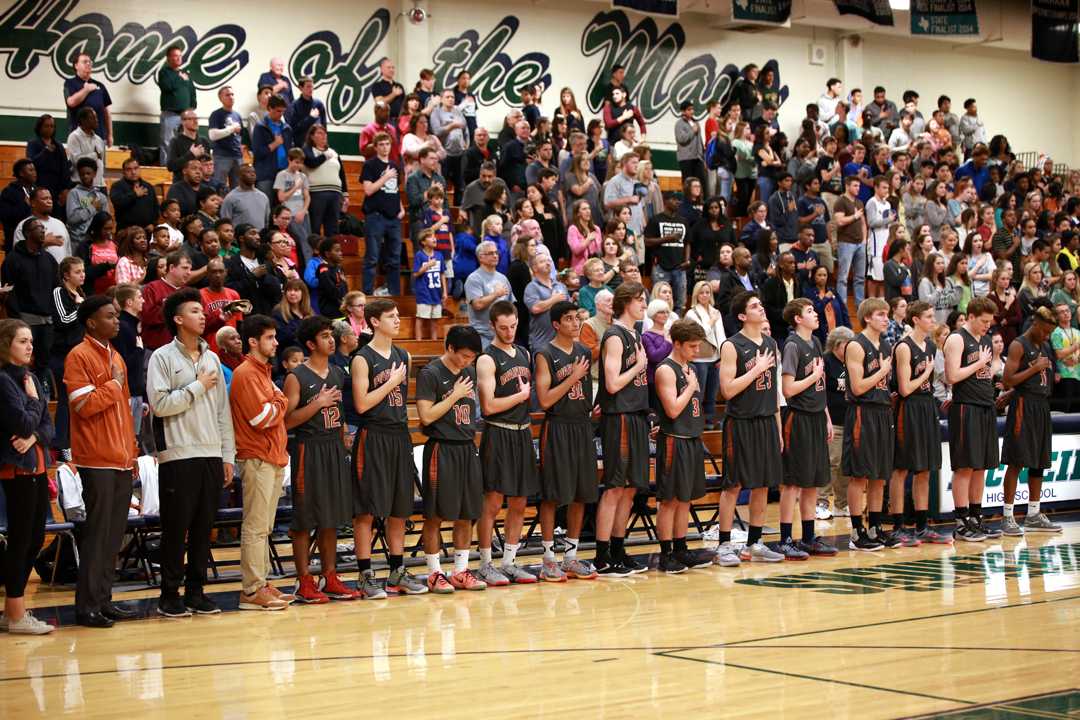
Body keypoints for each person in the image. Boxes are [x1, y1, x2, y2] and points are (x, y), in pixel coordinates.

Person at [147, 287, 235, 617]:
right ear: (178, 319)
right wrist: (197, 386)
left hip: (211, 454)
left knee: (203, 528)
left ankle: (197, 591)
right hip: (179, 455)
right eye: (196, 311)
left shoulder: (212, 357)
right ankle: (169, 594)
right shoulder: (162, 357)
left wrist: (227, 455)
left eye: (202, 311)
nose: (203, 315)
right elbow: (159, 405)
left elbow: (222, 412)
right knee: (176, 529)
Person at [62, 295, 136, 628]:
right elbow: (84, 405)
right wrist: (113, 385)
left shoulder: (116, 355)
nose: (116, 320)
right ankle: (87, 606)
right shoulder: (79, 356)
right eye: (109, 316)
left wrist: (132, 453)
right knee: (97, 534)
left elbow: (123, 413)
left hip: (120, 458)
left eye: (117, 315)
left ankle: (104, 600)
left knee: (114, 534)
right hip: (97, 458)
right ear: (91, 322)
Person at [348, 299, 427, 596]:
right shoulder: (361, 358)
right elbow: (362, 403)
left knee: (399, 508)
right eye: (391, 316)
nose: (397, 320)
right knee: (367, 509)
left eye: (397, 315)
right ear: (374, 322)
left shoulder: (403, 354)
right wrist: (392, 381)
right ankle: (365, 574)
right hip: (373, 435)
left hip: (399, 435)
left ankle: (397, 571)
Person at [281, 316, 355, 603]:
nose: (331, 340)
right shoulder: (296, 376)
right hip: (307, 450)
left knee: (331, 519)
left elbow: (341, 414)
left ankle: (330, 576)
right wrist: (318, 403)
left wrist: (344, 434)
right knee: (305, 518)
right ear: (311, 344)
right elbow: (286, 422)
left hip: (334, 450)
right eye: (325, 336)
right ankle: (304, 580)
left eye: (331, 335)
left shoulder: (337, 373)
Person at [472, 302, 539, 585]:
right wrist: (520, 397)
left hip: (522, 432)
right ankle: (486, 563)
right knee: (493, 500)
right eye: (503, 328)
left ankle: (509, 562)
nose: (509, 332)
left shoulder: (523, 353)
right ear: (492, 326)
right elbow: (487, 407)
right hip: (498, 432)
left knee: (520, 500)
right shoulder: (487, 359)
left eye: (513, 326)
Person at [416, 325, 486, 593]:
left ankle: (460, 570)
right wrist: (455, 395)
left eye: (472, 358)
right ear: (450, 348)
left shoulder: (468, 372)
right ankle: (434, 573)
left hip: (466, 448)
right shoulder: (430, 373)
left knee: (467, 514)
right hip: (441, 449)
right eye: (464, 355)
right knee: (435, 515)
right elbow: (426, 416)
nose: (468, 361)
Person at [716, 291, 783, 563]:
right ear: (743, 316)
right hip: (741, 422)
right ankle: (723, 545)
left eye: (761, 303)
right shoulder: (732, 345)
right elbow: (727, 390)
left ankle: (754, 543)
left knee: (763, 485)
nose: (761, 308)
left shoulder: (770, 343)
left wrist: (778, 429)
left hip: (767, 419)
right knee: (733, 485)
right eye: (755, 306)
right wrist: (755, 370)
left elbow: (774, 393)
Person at [534, 301, 599, 580]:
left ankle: (571, 556)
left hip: (582, 426)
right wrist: (573, 377)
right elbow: (546, 400)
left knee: (581, 494)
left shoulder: (584, 351)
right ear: (556, 325)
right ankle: (549, 557)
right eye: (569, 319)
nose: (576, 323)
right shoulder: (544, 353)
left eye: (577, 318)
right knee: (552, 495)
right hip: (557, 427)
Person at [0, 319, 55, 634]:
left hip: (35, 464)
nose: (30, 346)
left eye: (31, 340)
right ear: (6, 343)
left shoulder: (29, 377)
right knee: (22, 539)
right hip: (15, 469)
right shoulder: (5, 380)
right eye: (22, 341)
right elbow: (22, 421)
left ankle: (12, 612)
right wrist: (35, 403)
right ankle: (17, 614)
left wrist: (34, 437)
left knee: (34, 537)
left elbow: (46, 428)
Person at [593, 282, 651, 575]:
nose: (644, 305)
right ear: (626, 302)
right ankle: (602, 555)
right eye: (640, 300)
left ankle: (618, 548)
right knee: (615, 487)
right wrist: (639, 366)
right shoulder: (615, 336)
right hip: (621, 418)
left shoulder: (635, 334)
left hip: (638, 415)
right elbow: (613, 383)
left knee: (630, 489)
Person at [778, 298, 839, 558]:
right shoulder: (792, 345)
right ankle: (784, 538)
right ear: (797, 319)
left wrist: (826, 416)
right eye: (810, 311)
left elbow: (820, 387)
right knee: (793, 482)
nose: (816, 314)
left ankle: (808, 536)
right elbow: (788, 389)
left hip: (816, 416)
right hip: (798, 417)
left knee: (813, 481)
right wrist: (813, 377)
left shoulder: (814, 343)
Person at [651, 319, 712, 573]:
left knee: (685, 498)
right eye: (692, 346)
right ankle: (666, 554)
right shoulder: (666, 370)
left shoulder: (688, 367)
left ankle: (681, 548)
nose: (696, 351)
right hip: (675, 441)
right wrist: (690, 387)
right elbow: (673, 409)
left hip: (692, 439)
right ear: (677, 344)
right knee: (670, 500)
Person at [889, 301, 950, 544]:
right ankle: (897, 526)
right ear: (915, 319)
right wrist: (926, 373)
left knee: (925, 468)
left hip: (927, 405)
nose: (932, 320)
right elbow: (904, 388)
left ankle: (922, 526)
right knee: (902, 469)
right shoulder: (904, 347)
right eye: (928, 316)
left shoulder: (932, 346)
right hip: (909, 407)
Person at [999, 304, 1062, 536]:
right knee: (1016, 461)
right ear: (1035, 324)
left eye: (1050, 333)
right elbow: (1008, 380)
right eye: (1045, 331)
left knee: (1039, 461)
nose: (1047, 336)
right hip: (1024, 406)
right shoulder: (1018, 345)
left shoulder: (1044, 345)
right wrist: (1034, 368)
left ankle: (1033, 514)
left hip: (1041, 406)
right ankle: (1007, 517)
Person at [943, 297, 1000, 542]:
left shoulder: (985, 340)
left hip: (986, 405)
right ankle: (961, 521)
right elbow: (952, 376)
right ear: (972, 316)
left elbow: (987, 371)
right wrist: (980, 362)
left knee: (981, 466)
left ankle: (977, 518)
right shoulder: (957, 339)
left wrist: (992, 365)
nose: (988, 326)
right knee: (965, 466)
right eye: (984, 321)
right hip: (966, 407)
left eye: (990, 322)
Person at [842, 298, 896, 551]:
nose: (886, 319)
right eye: (881, 315)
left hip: (883, 412)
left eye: (887, 315)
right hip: (862, 412)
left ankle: (875, 527)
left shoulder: (885, 345)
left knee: (879, 475)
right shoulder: (855, 345)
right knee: (860, 474)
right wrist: (882, 371)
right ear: (867, 318)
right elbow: (858, 387)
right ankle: (856, 531)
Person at [360, 133, 404, 296]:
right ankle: (367, 293)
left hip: (393, 217)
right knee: (372, 257)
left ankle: (394, 293)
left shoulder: (395, 165)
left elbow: (395, 191)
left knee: (395, 258)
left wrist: (401, 208)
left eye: (387, 144)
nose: (385, 147)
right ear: (376, 146)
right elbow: (368, 190)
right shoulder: (370, 165)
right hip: (375, 216)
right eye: (382, 144)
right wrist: (385, 177)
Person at [644, 193, 690, 312]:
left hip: (680, 267)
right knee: (659, 301)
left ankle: (677, 327)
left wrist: (687, 260)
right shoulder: (656, 219)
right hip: (661, 266)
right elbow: (647, 241)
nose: (677, 202)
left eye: (679, 200)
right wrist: (667, 238)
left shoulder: (683, 220)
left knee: (680, 303)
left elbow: (688, 242)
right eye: (674, 199)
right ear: (665, 201)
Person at [465, 240, 513, 348]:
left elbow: (510, 305)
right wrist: (496, 294)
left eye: (496, 252)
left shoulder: (503, 278)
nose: (495, 256)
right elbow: (477, 304)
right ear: (481, 257)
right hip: (483, 335)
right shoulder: (474, 278)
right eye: (491, 253)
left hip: (503, 334)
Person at [156, 46, 196, 165]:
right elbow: (167, 86)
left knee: (185, 142)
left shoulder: (184, 73)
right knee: (167, 141)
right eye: (175, 55)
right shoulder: (164, 72)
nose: (178, 58)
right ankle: (166, 166)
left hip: (185, 116)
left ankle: (183, 166)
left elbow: (192, 90)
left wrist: (193, 106)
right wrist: (181, 79)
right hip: (170, 114)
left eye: (180, 55)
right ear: (168, 58)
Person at [524, 253, 568, 353]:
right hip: (542, 343)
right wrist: (554, 300)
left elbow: (568, 308)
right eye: (542, 261)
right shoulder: (531, 287)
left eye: (548, 260)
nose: (547, 263)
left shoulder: (560, 286)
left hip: (563, 341)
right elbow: (535, 308)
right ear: (535, 268)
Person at [834, 175, 867, 308]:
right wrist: (854, 216)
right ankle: (842, 306)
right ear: (847, 186)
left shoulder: (859, 202)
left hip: (860, 244)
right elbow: (839, 221)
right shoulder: (840, 201)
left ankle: (860, 306)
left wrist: (864, 240)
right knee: (842, 278)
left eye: (859, 186)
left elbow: (864, 223)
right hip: (846, 243)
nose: (858, 188)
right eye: (855, 185)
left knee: (860, 278)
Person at [251, 95, 293, 201]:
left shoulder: (287, 128)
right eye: (278, 111)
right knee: (265, 206)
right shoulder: (260, 127)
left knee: (284, 207)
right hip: (266, 174)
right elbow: (258, 152)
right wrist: (275, 144)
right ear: (269, 108)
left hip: (284, 173)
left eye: (283, 111)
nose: (281, 114)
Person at [207, 86, 244, 189]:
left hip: (237, 156)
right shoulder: (216, 114)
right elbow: (212, 135)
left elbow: (240, 136)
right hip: (222, 156)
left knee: (238, 188)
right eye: (227, 95)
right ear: (220, 98)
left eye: (232, 94)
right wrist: (231, 129)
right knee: (219, 186)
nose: (231, 97)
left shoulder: (237, 115)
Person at [110, 158, 160, 231]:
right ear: (123, 172)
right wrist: (135, 195)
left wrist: (153, 223)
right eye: (129, 169)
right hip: (126, 231)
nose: (133, 172)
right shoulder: (117, 186)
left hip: (147, 230)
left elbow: (155, 208)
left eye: (136, 168)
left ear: (139, 169)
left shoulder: (148, 186)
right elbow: (118, 202)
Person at [221, 164, 271, 232]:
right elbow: (225, 223)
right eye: (248, 172)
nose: (252, 174)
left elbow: (267, 222)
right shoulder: (231, 198)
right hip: (239, 239)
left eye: (253, 172)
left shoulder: (263, 197)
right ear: (240, 176)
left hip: (259, 238)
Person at [285, 77, 326, 149]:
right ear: (301, 88)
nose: (311, 89)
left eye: (312, 86)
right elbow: (294, 129)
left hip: (316, 145)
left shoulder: (319, 104)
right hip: (301, 146)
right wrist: (310, 118)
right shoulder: (294, 105)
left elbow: (324, 126)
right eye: (308, 86)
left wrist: (324, 142)